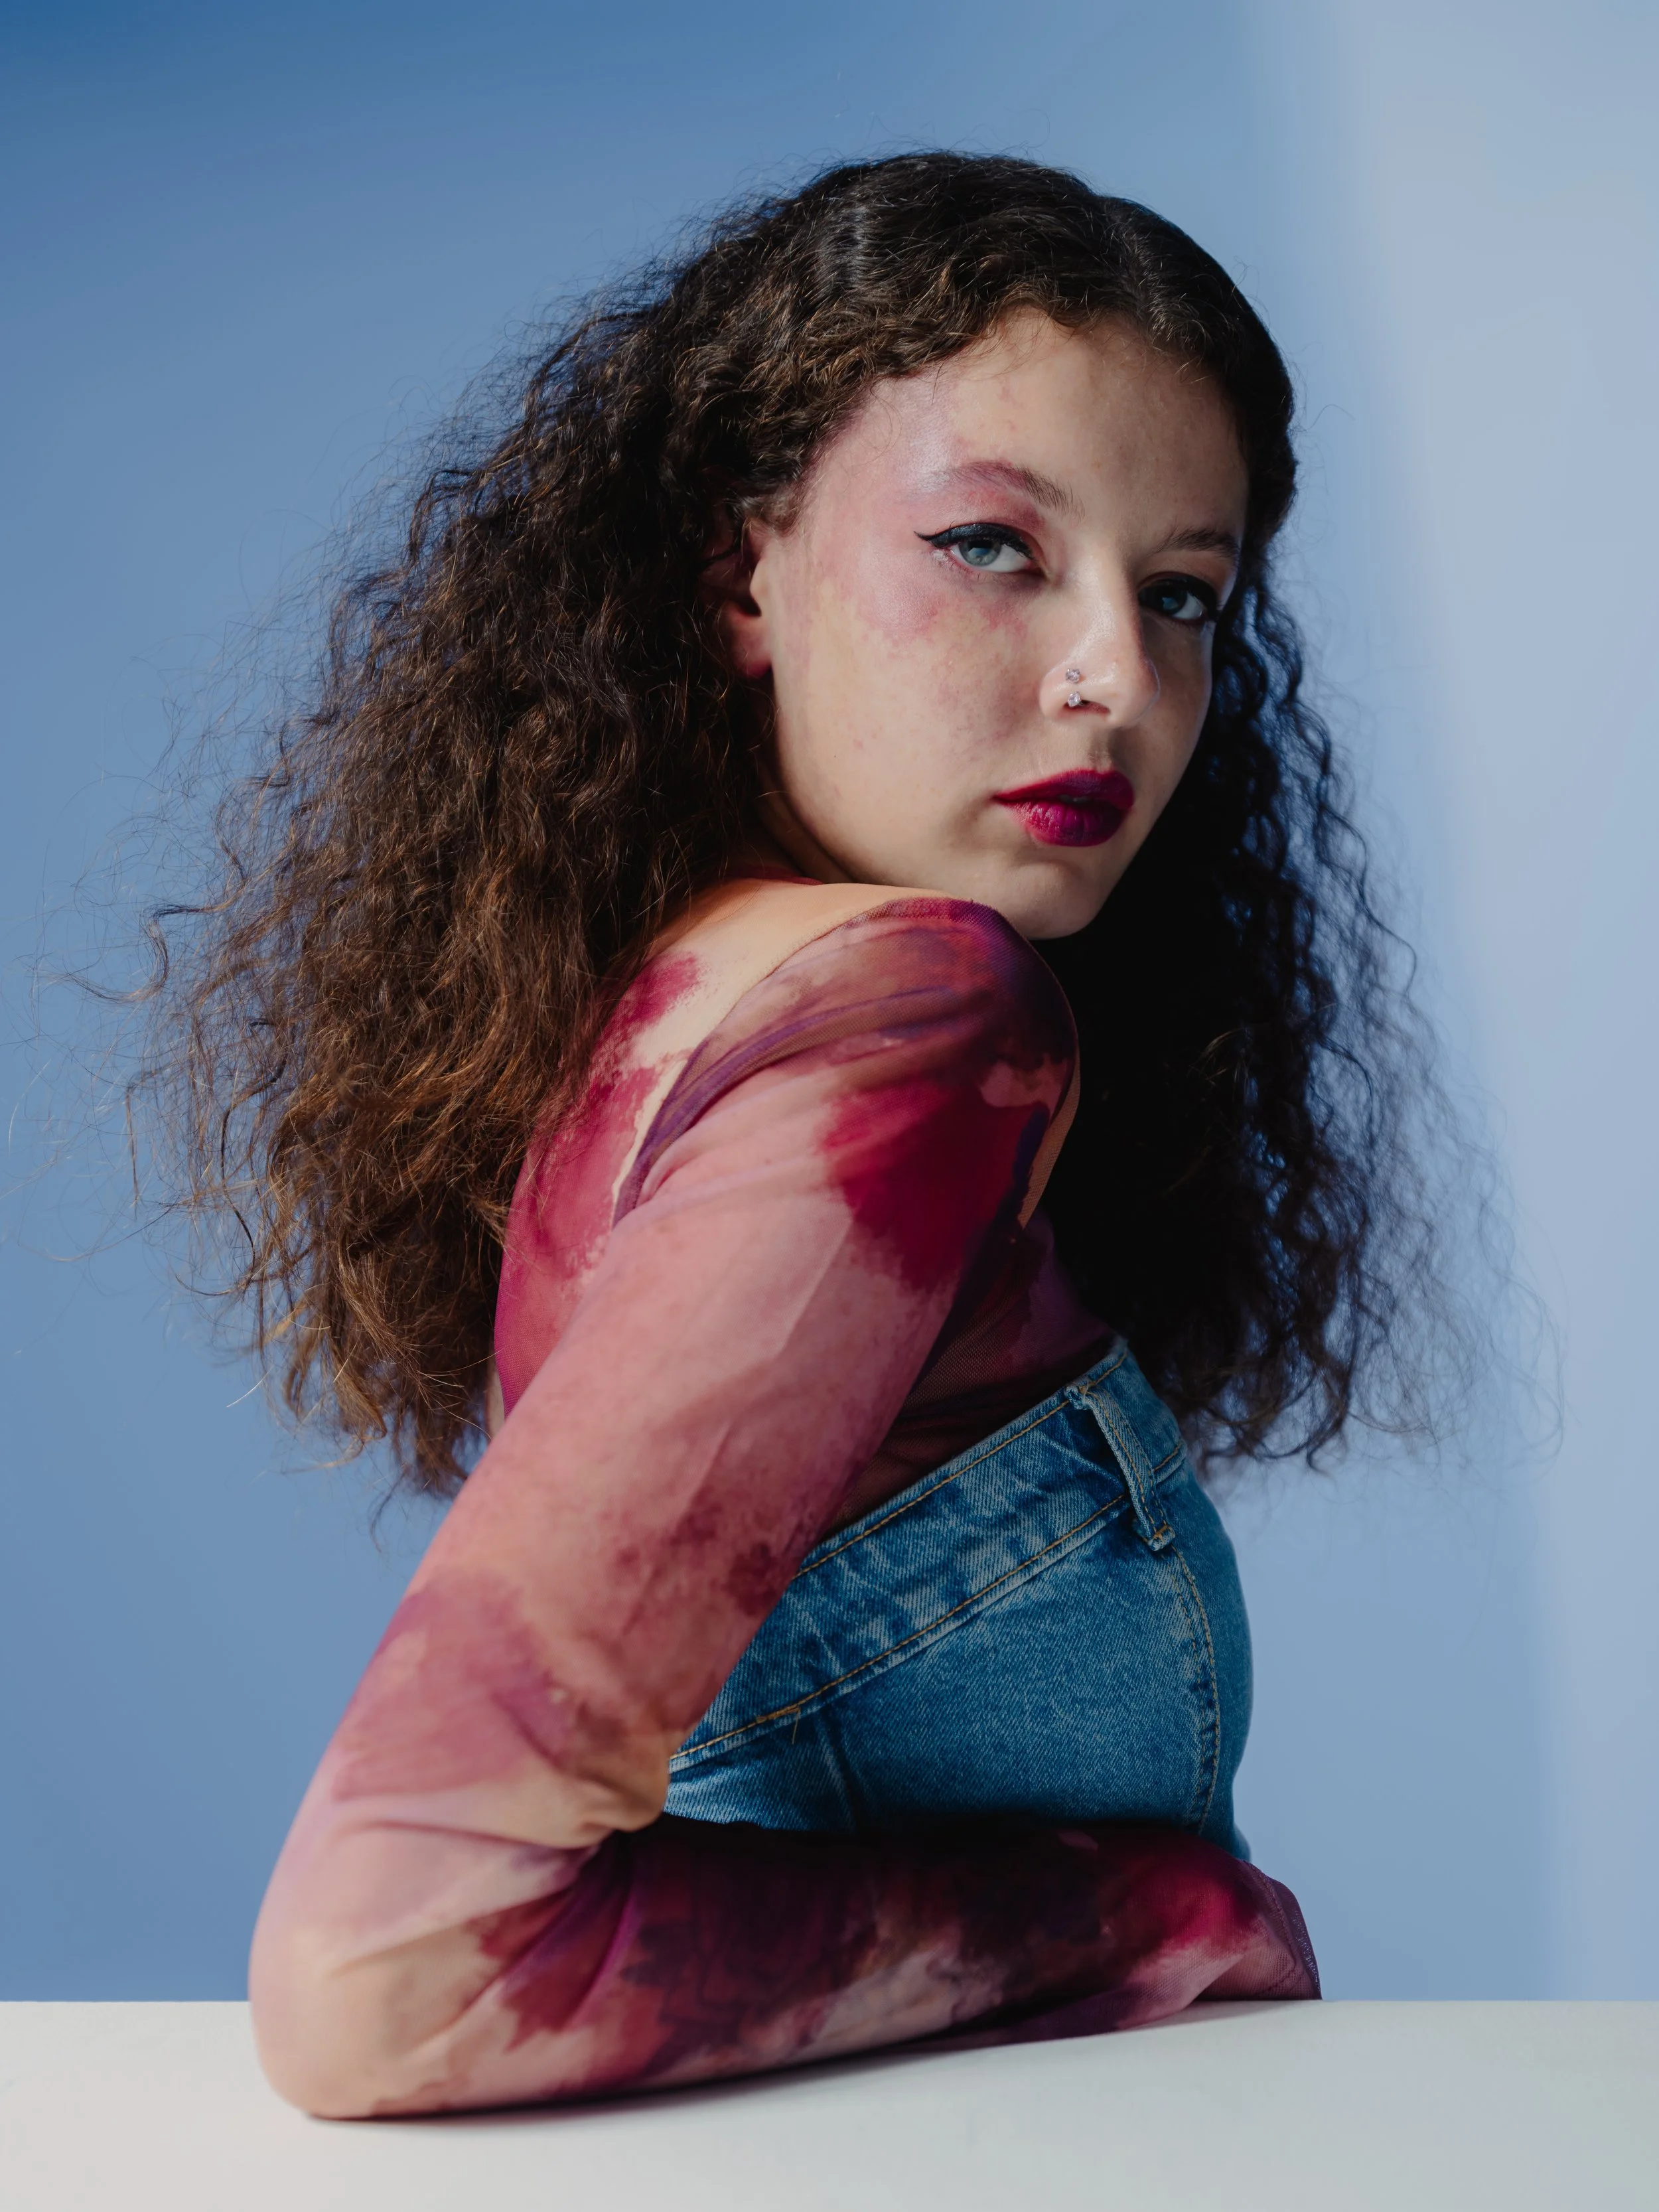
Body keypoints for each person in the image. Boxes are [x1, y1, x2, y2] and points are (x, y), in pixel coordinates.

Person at [146, 152, 1465, 2116]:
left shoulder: (693, 1004)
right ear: (737, 568)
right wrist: (1132, 1914)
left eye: (1182, 592)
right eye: (993, 547)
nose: (1115, 675)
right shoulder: (912, 1024)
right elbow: (390, 1968)